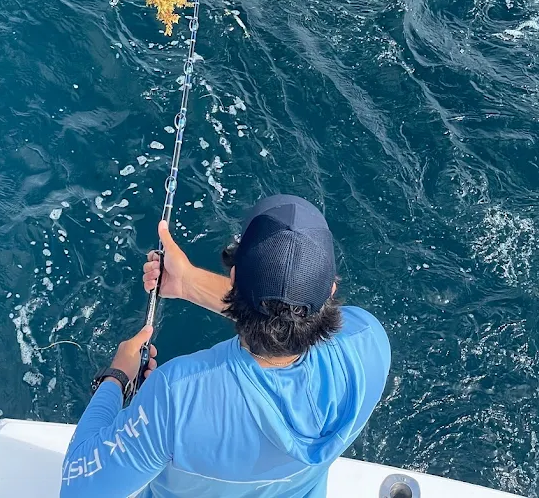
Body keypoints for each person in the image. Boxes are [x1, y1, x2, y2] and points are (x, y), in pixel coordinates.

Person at [61, 194, 390, 497]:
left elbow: (79, 490)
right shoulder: (369, 343)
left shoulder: (176, 396)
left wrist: (115, 379)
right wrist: (188, 282)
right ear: (330, 291)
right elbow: (289, 315)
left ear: (232, 279)